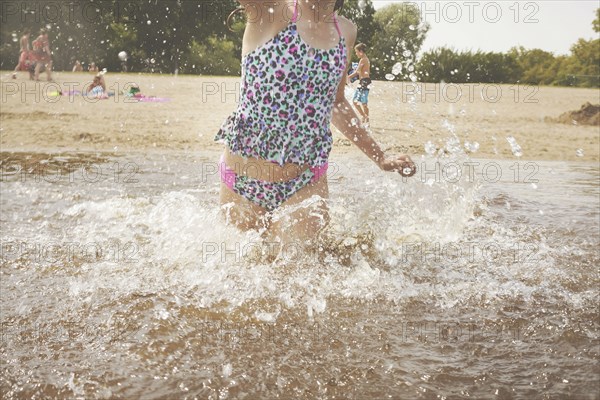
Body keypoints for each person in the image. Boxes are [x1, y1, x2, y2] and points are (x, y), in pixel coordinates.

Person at [215, 0, 416, 245]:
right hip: (244, 178)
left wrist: (380, 156)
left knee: (300, 274)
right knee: (239, 273)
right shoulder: (271, 10)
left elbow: (337, 102)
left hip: (305, 181)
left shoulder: (346, 31)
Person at [347, 43, 371, 125]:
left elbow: (357, 72)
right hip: (364, 81)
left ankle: (365, 118)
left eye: (356, 52)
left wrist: (347, 77)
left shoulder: (363, 59)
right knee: (360, 102)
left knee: (359, 102)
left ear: (361, 51)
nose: (356, 54)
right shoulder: (365, 59)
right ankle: (365, 117)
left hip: (364, 82)